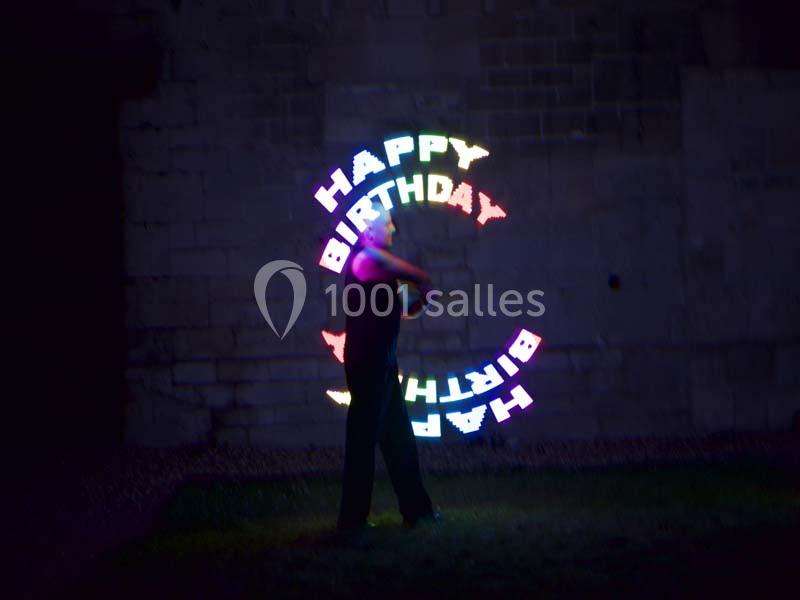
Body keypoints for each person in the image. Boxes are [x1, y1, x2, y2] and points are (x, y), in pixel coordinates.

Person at [336, 203, 441, 533]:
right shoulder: (367, 259)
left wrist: (423, 299)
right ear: (368, 229)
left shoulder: (379, 271)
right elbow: (414, 275)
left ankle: (417, 510)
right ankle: (352, 522)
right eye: (387, 224)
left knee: (398, 438)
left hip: (381, 363)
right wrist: (424, 283)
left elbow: (405, 310)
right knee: (364, 442)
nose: (393, 229)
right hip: (368, 365)